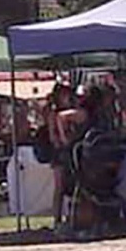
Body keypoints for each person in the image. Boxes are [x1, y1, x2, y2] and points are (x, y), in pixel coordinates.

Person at [48, 82, 86, 228]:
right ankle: (56, 219)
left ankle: (72, 216)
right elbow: (53, 137)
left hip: (71, 151)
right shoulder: (54, 113)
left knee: (72, 185)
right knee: (59, 187)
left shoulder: (71, 111)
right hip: (59, 153)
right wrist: (63, 139)